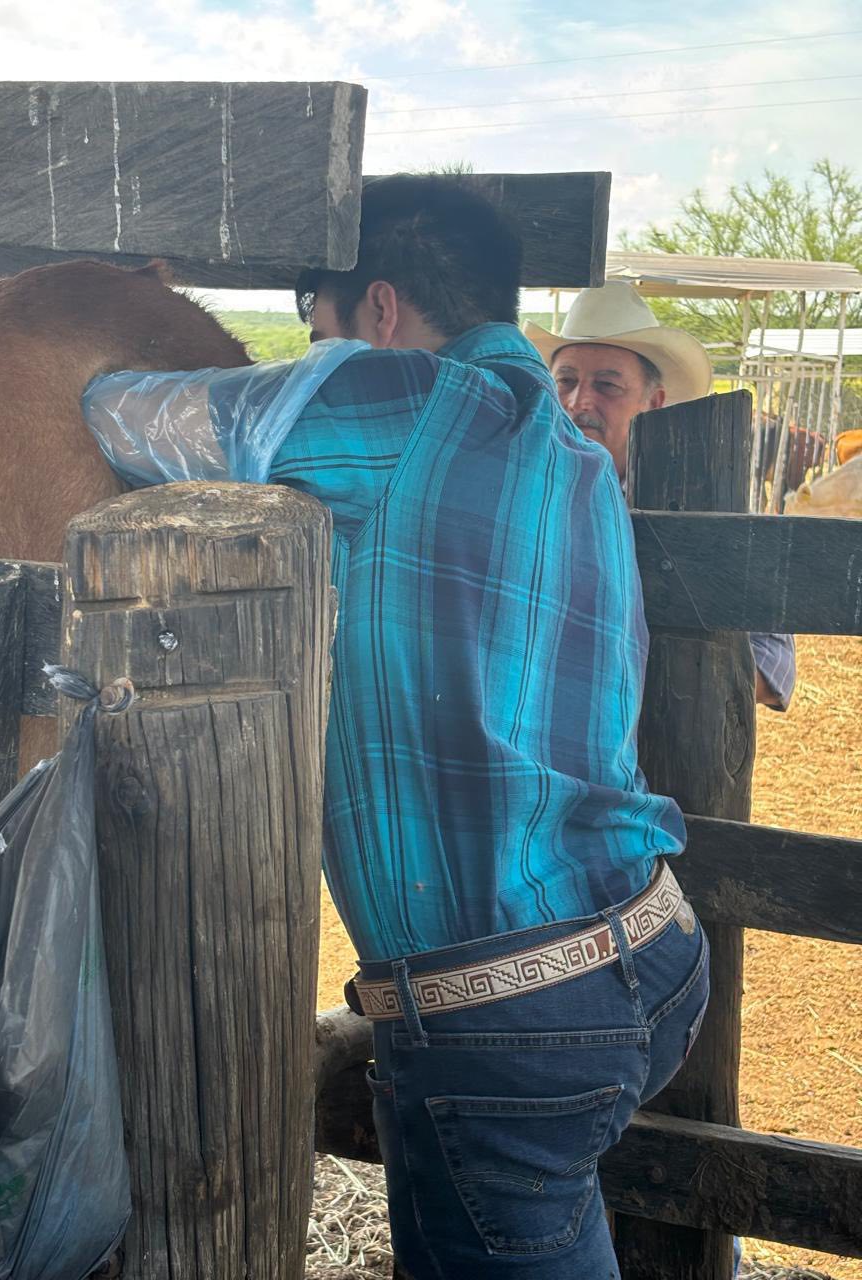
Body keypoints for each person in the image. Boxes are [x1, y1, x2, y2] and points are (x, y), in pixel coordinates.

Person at [262, 176, 710, 1279]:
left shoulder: (403, 407)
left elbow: (133, 411)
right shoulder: (574, 453)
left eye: (317, 340)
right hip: (650, 945)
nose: (313, 367)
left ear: (379, 312)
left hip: (504, 1016)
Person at [524, 281, 796, 713]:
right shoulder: (521, 490)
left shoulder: (701, 505)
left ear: (655, 403)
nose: (579, 402)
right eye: (566, 381)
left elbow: (771, 663)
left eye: (607, 385)